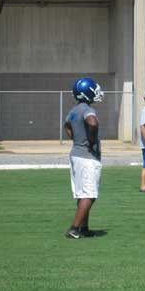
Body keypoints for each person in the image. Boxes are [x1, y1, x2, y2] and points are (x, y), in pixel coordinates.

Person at [64, 77, 104, 239]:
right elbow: (92, 123)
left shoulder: (73, 110)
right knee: (89, 194)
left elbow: (67, 125)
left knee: (82, 194)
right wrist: (92, 141)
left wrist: (76, 139)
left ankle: (84, 227)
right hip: (87, 157)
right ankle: (74, 228)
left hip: (75, 154)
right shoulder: (87, 110)